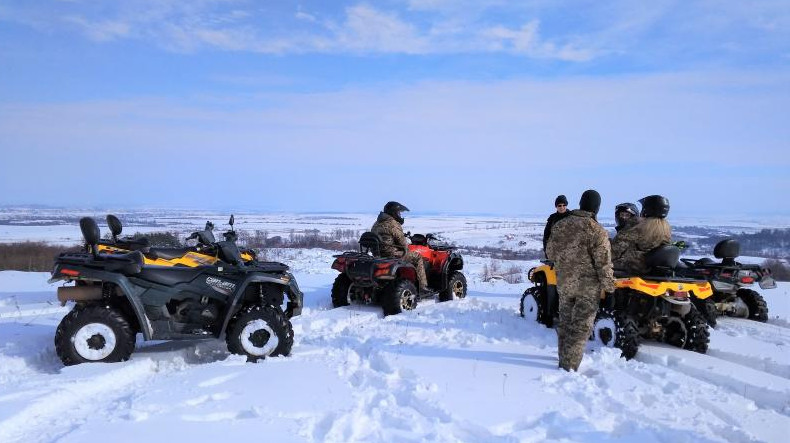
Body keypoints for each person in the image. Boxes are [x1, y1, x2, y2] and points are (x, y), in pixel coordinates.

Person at [546, 190, 616, 372]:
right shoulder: (596, 230)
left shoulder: (561, 225)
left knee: (565, 323)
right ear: (597, 208)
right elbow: (604, 264)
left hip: (565, 284)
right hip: (588, 287)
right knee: (581, 327)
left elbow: (551, 253)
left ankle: (563, 362)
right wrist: (609, 289)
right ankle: (569, 369)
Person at [371, 201, 429, 293]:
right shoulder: (393, 223)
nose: (400, 215)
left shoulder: (376, 223)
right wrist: (406, 247)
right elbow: (403, 244)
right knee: (417, 257)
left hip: (378, 254)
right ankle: (423, 287)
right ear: (393, 213)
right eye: (398, 213)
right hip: (392, 254)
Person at [611, 195, 671, 274]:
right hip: (651, 269)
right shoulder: (665, 228)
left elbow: (614, 251)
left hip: (635, 267)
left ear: (647, 209)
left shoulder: (639, 227)